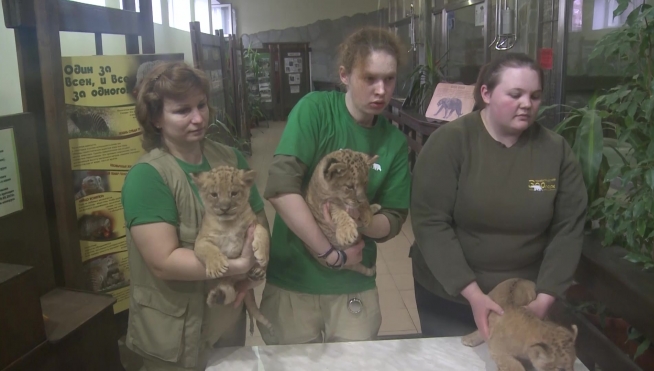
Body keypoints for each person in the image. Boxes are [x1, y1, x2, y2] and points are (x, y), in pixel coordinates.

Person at [409, 53, 588, 341]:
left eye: (535, 96)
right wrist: (473, 293)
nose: (527, 104)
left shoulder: (556, 152)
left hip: (524, 301)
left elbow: (568, 229)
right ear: (486, 93)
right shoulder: (450, 143)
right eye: (515, 94)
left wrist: (544, 298)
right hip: (449, 295)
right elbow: (429, 221)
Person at [258, 26, 412, 344]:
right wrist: (330, 253)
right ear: (344, 75)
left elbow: (394, 220)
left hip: (353, 283)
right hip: (294, 279)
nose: (381, 90)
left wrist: (359, 219)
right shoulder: (314, 110)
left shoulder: (394, 142)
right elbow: (281, 189)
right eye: (370, 78)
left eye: (389, 79)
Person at [121, 61, 268, 371]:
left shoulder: (230, 158)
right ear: (157, 118)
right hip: (174, 333)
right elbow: (163, 261)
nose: (198, 118)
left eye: (201, 105)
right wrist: (238, 265)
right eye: (182, 110)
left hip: (225, 316)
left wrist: (250, 273)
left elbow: (257, 220)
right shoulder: (148, 177)